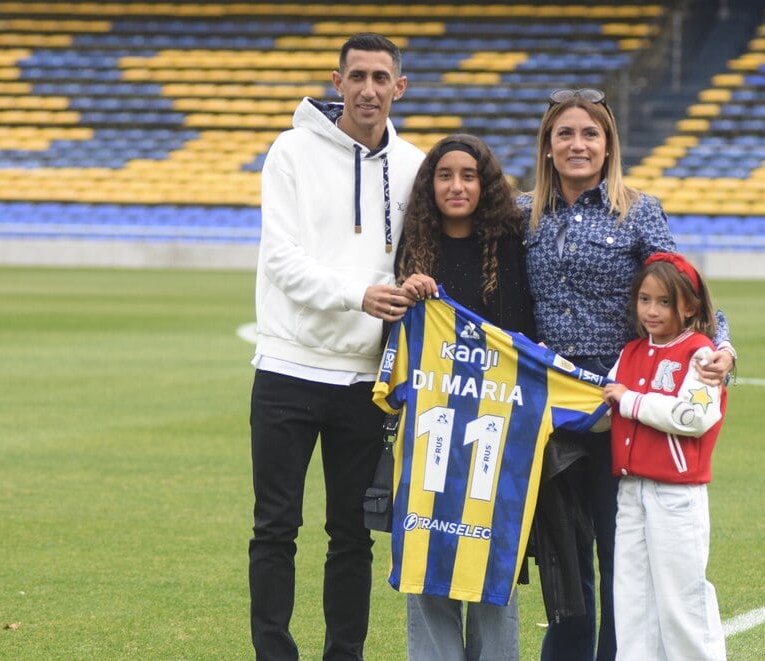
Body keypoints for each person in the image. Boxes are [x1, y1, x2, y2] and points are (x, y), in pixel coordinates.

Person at [519, 87, 736, 661]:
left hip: (620, 398)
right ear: (547, 146)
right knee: (565, 556)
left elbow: (682, 287)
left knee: (622, 553)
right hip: (549, 403)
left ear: (609, 145)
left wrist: (723, 348)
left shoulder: (638, 210)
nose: (578, 144)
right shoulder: (521, 214)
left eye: (590, 133)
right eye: (565, 133)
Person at [247, 33, 426, 661]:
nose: (368, 90)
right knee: (275, 527)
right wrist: (359, 295)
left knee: (353, 534)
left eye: (381, 78)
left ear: (399, 87)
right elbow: (280, 260)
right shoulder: (291, 151)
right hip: (287, 369)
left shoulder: (414, 165)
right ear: (337, 82)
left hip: (365, 380)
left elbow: (423, 257)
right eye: (357, 77)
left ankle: (343, 655)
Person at [392, 133, 534, 661]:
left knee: (492, 562)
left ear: (485, 184)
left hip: (495, 432)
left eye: (468, 176)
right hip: (429, 429)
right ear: (429, 186)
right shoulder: (414, 248)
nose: (456, 186)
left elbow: (521, 338)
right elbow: (395, 343)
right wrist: (408, 296)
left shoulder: (508, 246)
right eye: (445, 175)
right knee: (428, 552)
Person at [601, 252, 727, 660]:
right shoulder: (630, 352)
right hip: (630, 491)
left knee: (682, 602)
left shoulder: (701, 353)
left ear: (689, 306)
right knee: (632, 601)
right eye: (644, 299)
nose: (651, 310)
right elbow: (605, 409)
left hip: (676, 495)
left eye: (664, 302)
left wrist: (630, 401)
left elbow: (695, 416)